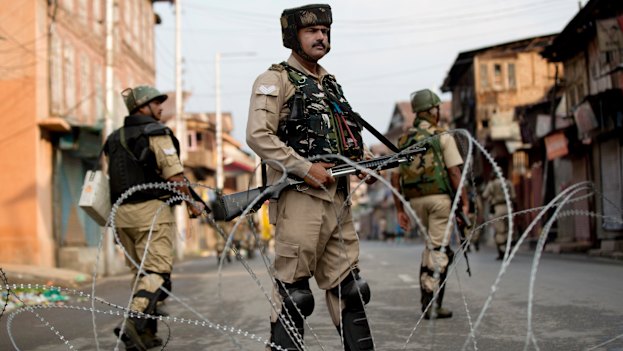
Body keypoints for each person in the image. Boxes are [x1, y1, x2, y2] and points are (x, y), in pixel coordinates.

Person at [246, 4, 374, 350]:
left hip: (338, 199)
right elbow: (259, 136)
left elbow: (343, 138)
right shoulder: (275, 80)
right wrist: (305, 167)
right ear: (293, 36)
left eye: (325, 31)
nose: (321, 37)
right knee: (295, 293)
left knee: (352, 289)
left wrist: (364, 162)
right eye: (312, 31)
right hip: (299, 197)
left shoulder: (330, 84)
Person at [104, 85, 204, 351]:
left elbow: (109, 179)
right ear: (142, 108)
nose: (161, 107)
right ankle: (132, 322)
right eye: (156, 102)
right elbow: (174, 175)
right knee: (157, 272)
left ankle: (146, 335)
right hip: (151, 213)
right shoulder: (156, 133)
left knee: (141, 275)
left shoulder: (113, 138)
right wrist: (193, 202)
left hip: (121, 214)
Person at [391, 89, 468, 320]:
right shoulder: (442, 135)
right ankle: (431, 300)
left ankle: (430, 297)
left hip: (415, 200)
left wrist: (399, 209)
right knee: (440, 249)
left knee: (431, 246)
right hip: (440, 200)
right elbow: (454, 172)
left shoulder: (404, 140)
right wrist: (464, 202)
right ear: (433, 110)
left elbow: (394, 178)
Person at [482, 160, 516, 260]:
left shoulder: (492, 184)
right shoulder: (508, 183)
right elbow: (514, 197)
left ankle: (502, 251)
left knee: (500, 231)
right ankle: (508, 248)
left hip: (498, 208)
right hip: (508, 208)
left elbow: (484, 195)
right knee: (508, 230)